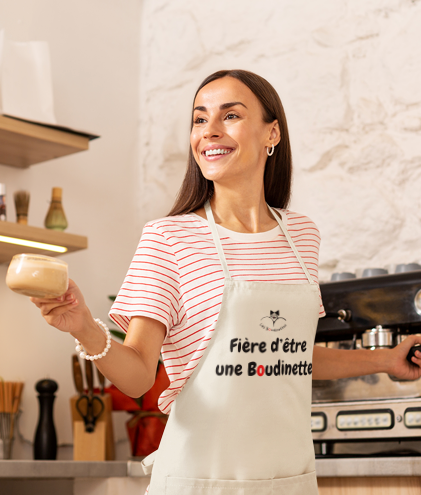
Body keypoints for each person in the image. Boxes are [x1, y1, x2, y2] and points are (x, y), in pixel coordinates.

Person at [31, 69, 421, 495]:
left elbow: (287, 352)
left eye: (229, 116)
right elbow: (140, 375)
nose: (209, 131)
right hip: (201, 480)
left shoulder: (302, 235)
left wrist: (385, 360)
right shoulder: (169, 237)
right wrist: (85, 327)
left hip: (289, 480)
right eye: (199, 120)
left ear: (271, 133)